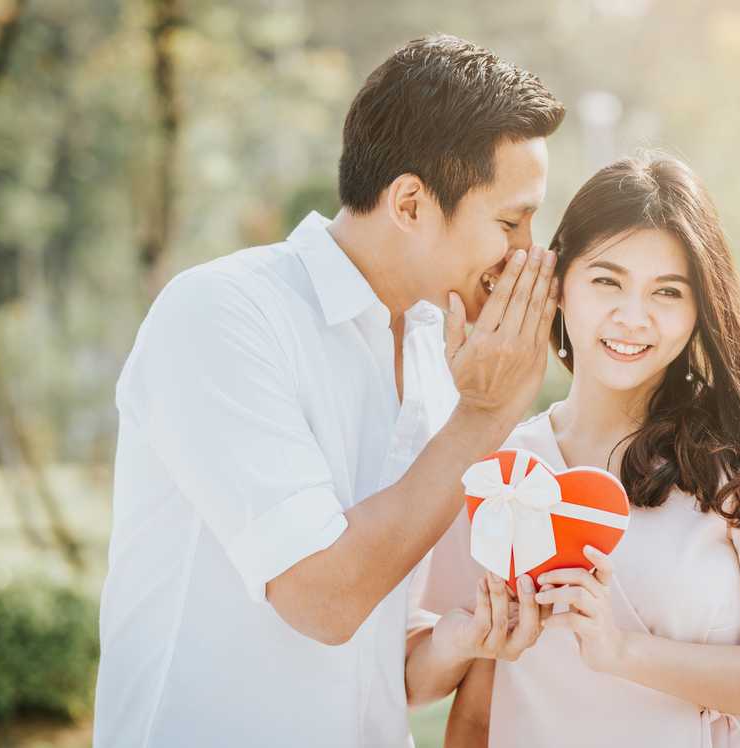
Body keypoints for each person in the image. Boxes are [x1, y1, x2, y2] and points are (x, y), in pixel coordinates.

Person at [93, 35, 565, 747]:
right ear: (410, 203)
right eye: (510, 221)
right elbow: (323, 599)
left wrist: (464, 640)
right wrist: (485, 417)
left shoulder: (441, 357)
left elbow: (381, 656)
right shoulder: (223, 315)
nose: (530, 252)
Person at [423, 153, 740, 747]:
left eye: (667, 292)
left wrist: (622, 651)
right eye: (606, 281)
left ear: (700, 309)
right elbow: (472, 703)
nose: (633, 318)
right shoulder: (504, 470)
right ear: (560, 284)